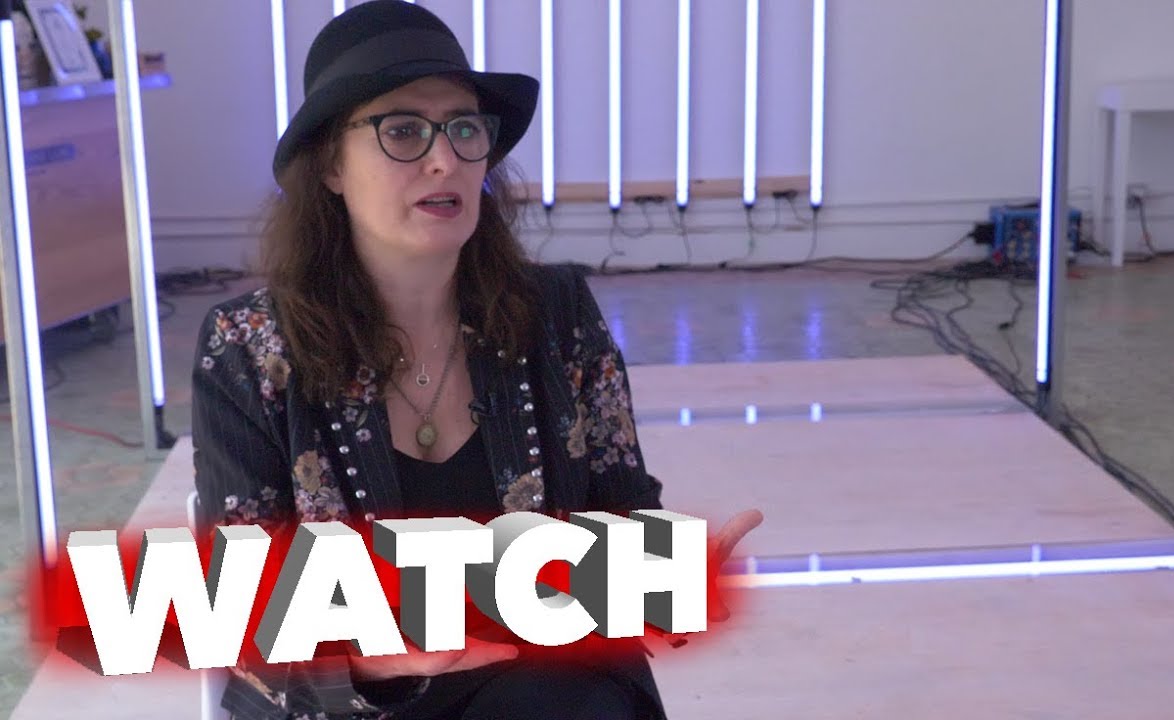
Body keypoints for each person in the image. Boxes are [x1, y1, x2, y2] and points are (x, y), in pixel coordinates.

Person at [190, 2, 762, 719]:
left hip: (549, 683)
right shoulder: (249, 346)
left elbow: (620, 515)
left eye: (464, 128)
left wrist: (665, 579)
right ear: (331, 165)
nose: (446, 159)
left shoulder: (556, 314)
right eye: (403, 130)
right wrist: (371, 659)